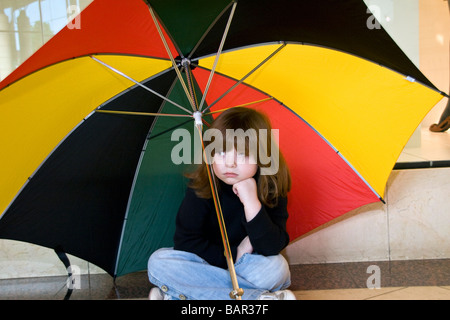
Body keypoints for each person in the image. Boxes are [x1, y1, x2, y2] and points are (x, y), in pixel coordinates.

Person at [147, 107, 295, 300]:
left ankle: (177, 295)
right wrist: (236, 252)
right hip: (205, 263)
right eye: (222, 151)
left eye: (242, 154)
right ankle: (256, 298)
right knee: (158, 262)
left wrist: (252, 202)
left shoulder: (271, 185)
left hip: (249, 267)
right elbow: (186, 242)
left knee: (277, 267)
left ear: (262, 156)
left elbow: (272, 246)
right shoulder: (202, 184)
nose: (230, 163)